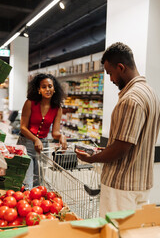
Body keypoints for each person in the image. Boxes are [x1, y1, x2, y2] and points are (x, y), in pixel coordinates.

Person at [75, 42, 160, 217]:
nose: (111, 79)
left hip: (121, 186)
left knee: (114, 232)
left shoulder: (131, 99)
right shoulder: (150, 93)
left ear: (121, 67)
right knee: (134, 231)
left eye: (110, 73)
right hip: (142, 183)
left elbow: (121, 148)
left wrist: (92, 159)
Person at [17, 73, 67, 190]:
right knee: (27, 181)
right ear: (39, 90)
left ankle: (34, 207)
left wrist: (61, 136)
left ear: (54, 89)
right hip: (26, 144)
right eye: (43, 87)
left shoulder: (57, 108)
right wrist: (35, 139)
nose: (47, 89)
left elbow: (55, 132)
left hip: (43, 146)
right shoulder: (30, 103)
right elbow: (23, 127)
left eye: (50, 86)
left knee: (38, 181)